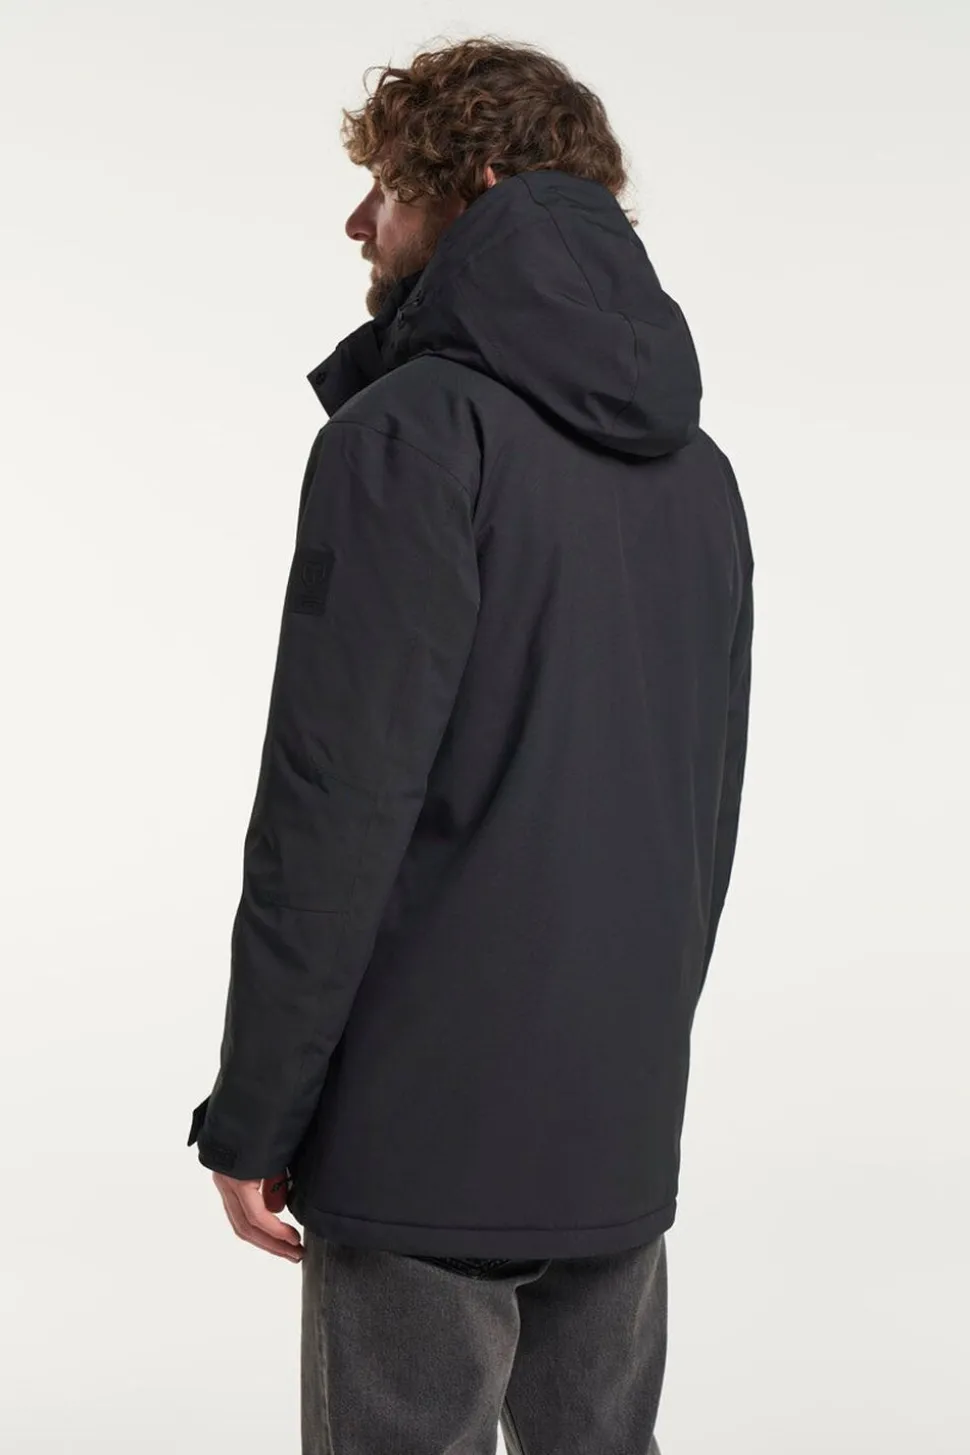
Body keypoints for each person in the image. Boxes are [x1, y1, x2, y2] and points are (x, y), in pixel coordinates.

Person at [187, 36, 754, 1454]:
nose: (357, 221)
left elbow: (333, 802)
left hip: (422, 1120)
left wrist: (254, 1113)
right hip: (618, 1111)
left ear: (475, 185)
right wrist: (642, 1054)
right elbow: (708, 810)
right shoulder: (699, 472)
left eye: (384, 186)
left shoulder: (410, 435)